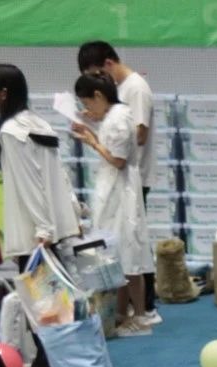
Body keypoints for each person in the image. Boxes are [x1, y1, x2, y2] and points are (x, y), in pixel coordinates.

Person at [0, 64, 80, 367]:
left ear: (3, 93)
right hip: (51, 224)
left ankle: (48, 364)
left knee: (41, 301)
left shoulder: (11, 131)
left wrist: (42, 229)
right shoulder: (36, 122)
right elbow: (54, 173)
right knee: (53, 299)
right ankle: (50, 362)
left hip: (35, 231)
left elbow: (29, 184)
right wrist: (69, 212)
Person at [77, 41, 160, 325]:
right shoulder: (116, 112)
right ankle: (124, 312)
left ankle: (143, 311)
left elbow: (121, 156)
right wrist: (96, 123)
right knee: (120, 252)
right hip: (118, 187)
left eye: (88, 102)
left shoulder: (132, 95)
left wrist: (93, 141)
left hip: (124, 187)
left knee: (131, 250)